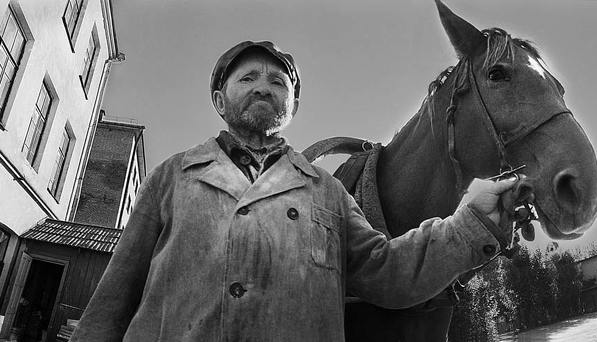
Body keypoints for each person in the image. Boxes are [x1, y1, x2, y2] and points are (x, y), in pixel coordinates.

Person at [71, 41, 517, 341]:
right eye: (247, 78)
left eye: (277, 82)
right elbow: (112, 302)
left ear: (293, 107)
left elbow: (388, 272)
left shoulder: (328, 193)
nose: (263, 87)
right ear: (220, 100)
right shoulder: (171, 178)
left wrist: (471, 224)